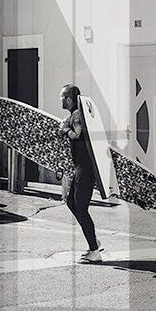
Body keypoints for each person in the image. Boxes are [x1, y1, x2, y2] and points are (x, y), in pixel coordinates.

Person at [60, 84, 102, 262]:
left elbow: (78, 135)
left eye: (62, 97)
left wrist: (65, 129)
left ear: (68, 99)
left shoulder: (77, 115)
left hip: (84, 169)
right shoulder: (77, 114)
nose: (60, 100)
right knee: (71, 202)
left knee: (80, 208)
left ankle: (94, 252)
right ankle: (93, 240)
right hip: (82, 168)